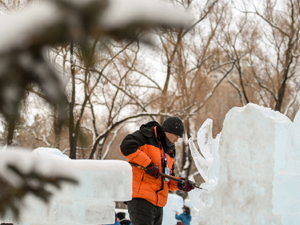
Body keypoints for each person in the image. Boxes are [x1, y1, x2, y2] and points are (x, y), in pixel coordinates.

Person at [119, 116, 195, 225]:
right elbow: (126, 146)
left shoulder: (170, 150)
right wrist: (148, 164)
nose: (177, 140)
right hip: (141, 198)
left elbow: (167, 178)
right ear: (167, 131)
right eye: (176, 136)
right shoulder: (147, 136)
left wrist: (181, 184)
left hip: (158, 203)